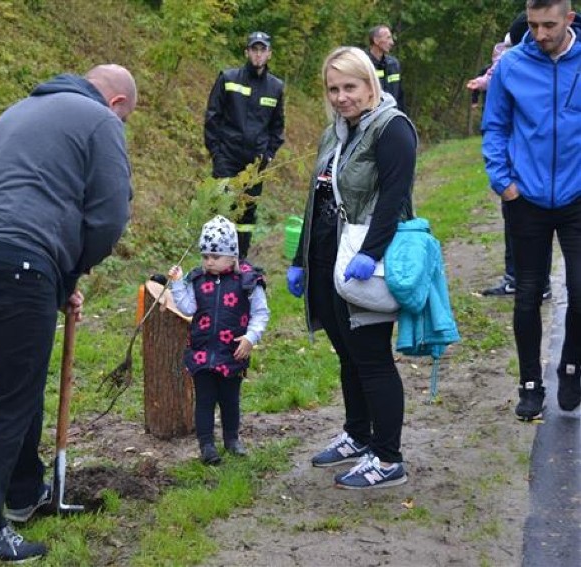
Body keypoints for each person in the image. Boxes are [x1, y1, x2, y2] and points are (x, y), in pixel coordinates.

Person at [0, 63, 137, 561]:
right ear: (116, 104)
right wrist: (69, 274)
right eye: (126, 118)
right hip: (16, 262)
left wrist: (56, 279)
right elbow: (110, 215)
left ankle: (25, 492)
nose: (122, 126)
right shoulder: (100, 121)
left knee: (17, 382)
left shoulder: (22, 109)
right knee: (13, 395)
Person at [286, 46, 417, 489]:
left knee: (373, 357)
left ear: (370, 84)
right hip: (328, 257)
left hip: (364, 262)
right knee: (347, 353)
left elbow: (394, 199)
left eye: (350, 87)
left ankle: (388, 458)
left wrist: (373, 253)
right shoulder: (336, 132)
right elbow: (316, 198)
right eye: (333, 89)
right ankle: (358, 436)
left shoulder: (391, 128)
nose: (341, 96)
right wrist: (298, 258)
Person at [481, 0, 581, 420]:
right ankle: (529, 384)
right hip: (527, 200)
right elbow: (495, 126)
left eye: (549, 25)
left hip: (577, 199)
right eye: (534, 25)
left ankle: (571, 367)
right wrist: (504, 185)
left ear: (569, 20)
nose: (540, 34)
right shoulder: (513, 65)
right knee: (527, 295)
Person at [168, 215, 270, 465]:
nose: (209, 262)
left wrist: (250, 337)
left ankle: (232, 439)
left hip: (231, 352)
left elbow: (261, 313)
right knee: (204, 400)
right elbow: (188, 308)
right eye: (205, 257)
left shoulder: (247, 281)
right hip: (203, 351)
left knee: (229, 399)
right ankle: (206, 445)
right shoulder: (198, 280)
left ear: (232, 256)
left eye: (215, 257)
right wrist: (177, 284)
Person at [471, 15, 553, 299]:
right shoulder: (510, 68)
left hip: (529, 173)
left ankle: (530, 282)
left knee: (529, 231)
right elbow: (496, 125)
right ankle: (522, 280)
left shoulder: (526, 71)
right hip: (513, 173)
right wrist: (502, 179)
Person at [204, 31, 285, 260]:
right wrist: (216, 153)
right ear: (247, 52)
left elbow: (277, 128)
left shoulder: (276, 87)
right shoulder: (228, 79)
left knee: (247, 217)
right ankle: (214, 262)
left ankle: (239, 264)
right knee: (221, 210)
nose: (258, 54)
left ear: (269, 54)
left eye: (263, 49)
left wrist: (267, 157)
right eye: (254, 49)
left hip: (255, 164)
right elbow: (212, 118)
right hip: (226, 159)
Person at [367, 25, 407, 114]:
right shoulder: (364, 65)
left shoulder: (393, 64)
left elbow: (400, 96)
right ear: (376, 40)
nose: (392, 42)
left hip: (392, 117)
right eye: (388, 38)